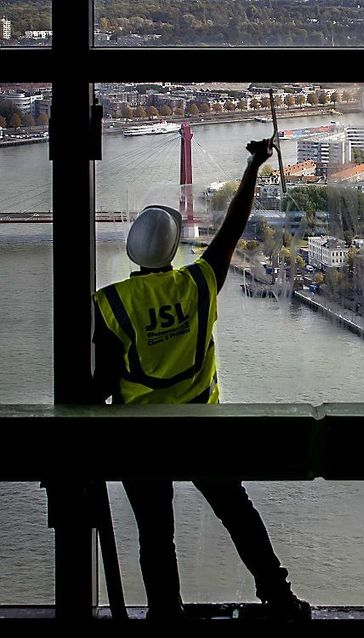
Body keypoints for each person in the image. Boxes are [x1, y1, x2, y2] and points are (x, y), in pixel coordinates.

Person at [91, 138, 310, 622]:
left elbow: (102, 385)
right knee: (237, 513)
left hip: (140, 439)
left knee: (155, 533)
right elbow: (233, 227)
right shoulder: (199, 281)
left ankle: (166, 614)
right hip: (201, 426)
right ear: (173, 247)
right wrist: (253, 166)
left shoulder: (110, 304)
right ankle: (279, 599)